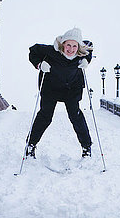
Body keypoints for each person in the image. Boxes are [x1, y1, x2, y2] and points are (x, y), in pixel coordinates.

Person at [26, 27, 93, 159]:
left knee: (76, 116)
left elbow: (89, 45)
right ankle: (31, 145)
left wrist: (87, 60)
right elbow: (33, 50)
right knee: (45, 116)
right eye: (68, 44)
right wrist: (39, 65)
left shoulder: (81, 54)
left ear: (79, 46)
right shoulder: (51, 51)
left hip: (71, 89)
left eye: (75, 46)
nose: (71, 49)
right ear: (63, 44)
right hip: (50, 88)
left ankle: (86, 147)